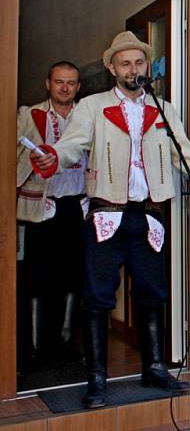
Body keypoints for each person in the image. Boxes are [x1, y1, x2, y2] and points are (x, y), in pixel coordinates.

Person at [30, 31, 190, 409]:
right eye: (126, 63)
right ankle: (97, 379)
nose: (133, 69)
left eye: (139, 62)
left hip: (149, 215)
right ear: (112, 68)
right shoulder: (93, 107)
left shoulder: (163, 108)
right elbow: (72, 145)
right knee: (98, 299)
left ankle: (154, 368)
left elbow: (186, 155)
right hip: (105, 213)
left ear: (147, 67)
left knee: (153, 293)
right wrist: (52, 156)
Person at [17, 61, 87, 366]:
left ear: (78, 86)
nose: (65, 88)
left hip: (76, 205)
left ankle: (65, 344)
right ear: (48, 83)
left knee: (73, 276)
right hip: (42, 206)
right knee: (37, 276)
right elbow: (12, 154)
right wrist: (30, 157)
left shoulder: (87, 115)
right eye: (59, 81)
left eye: (71, 82)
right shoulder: (28, 114)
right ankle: (34, 349)